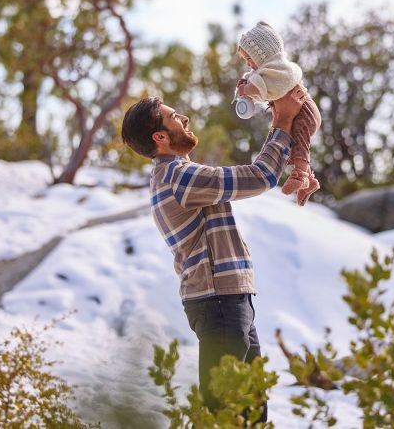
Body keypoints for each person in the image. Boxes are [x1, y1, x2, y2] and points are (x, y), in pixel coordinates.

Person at [120, 86, 307, 420]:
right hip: (219, 302)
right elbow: (260, 176)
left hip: (229, 300)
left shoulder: (180, 176)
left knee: (249, 414)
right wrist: (282, 119)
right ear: (160, 136)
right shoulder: (179, 176)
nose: (185, 117)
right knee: (226, 413)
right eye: (174, 116)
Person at [236, 21, 322, 206]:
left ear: (262, 54)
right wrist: (247, 87)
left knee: (300, 141)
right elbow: (264, 90)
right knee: (290, 144)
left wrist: (247, 89)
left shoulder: (281, 70)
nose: (249, 64)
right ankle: (309, 180)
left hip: (304, 112)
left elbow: (263, 88)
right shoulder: (269, 72)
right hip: (296, 109)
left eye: (249, 58)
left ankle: (300, 175)